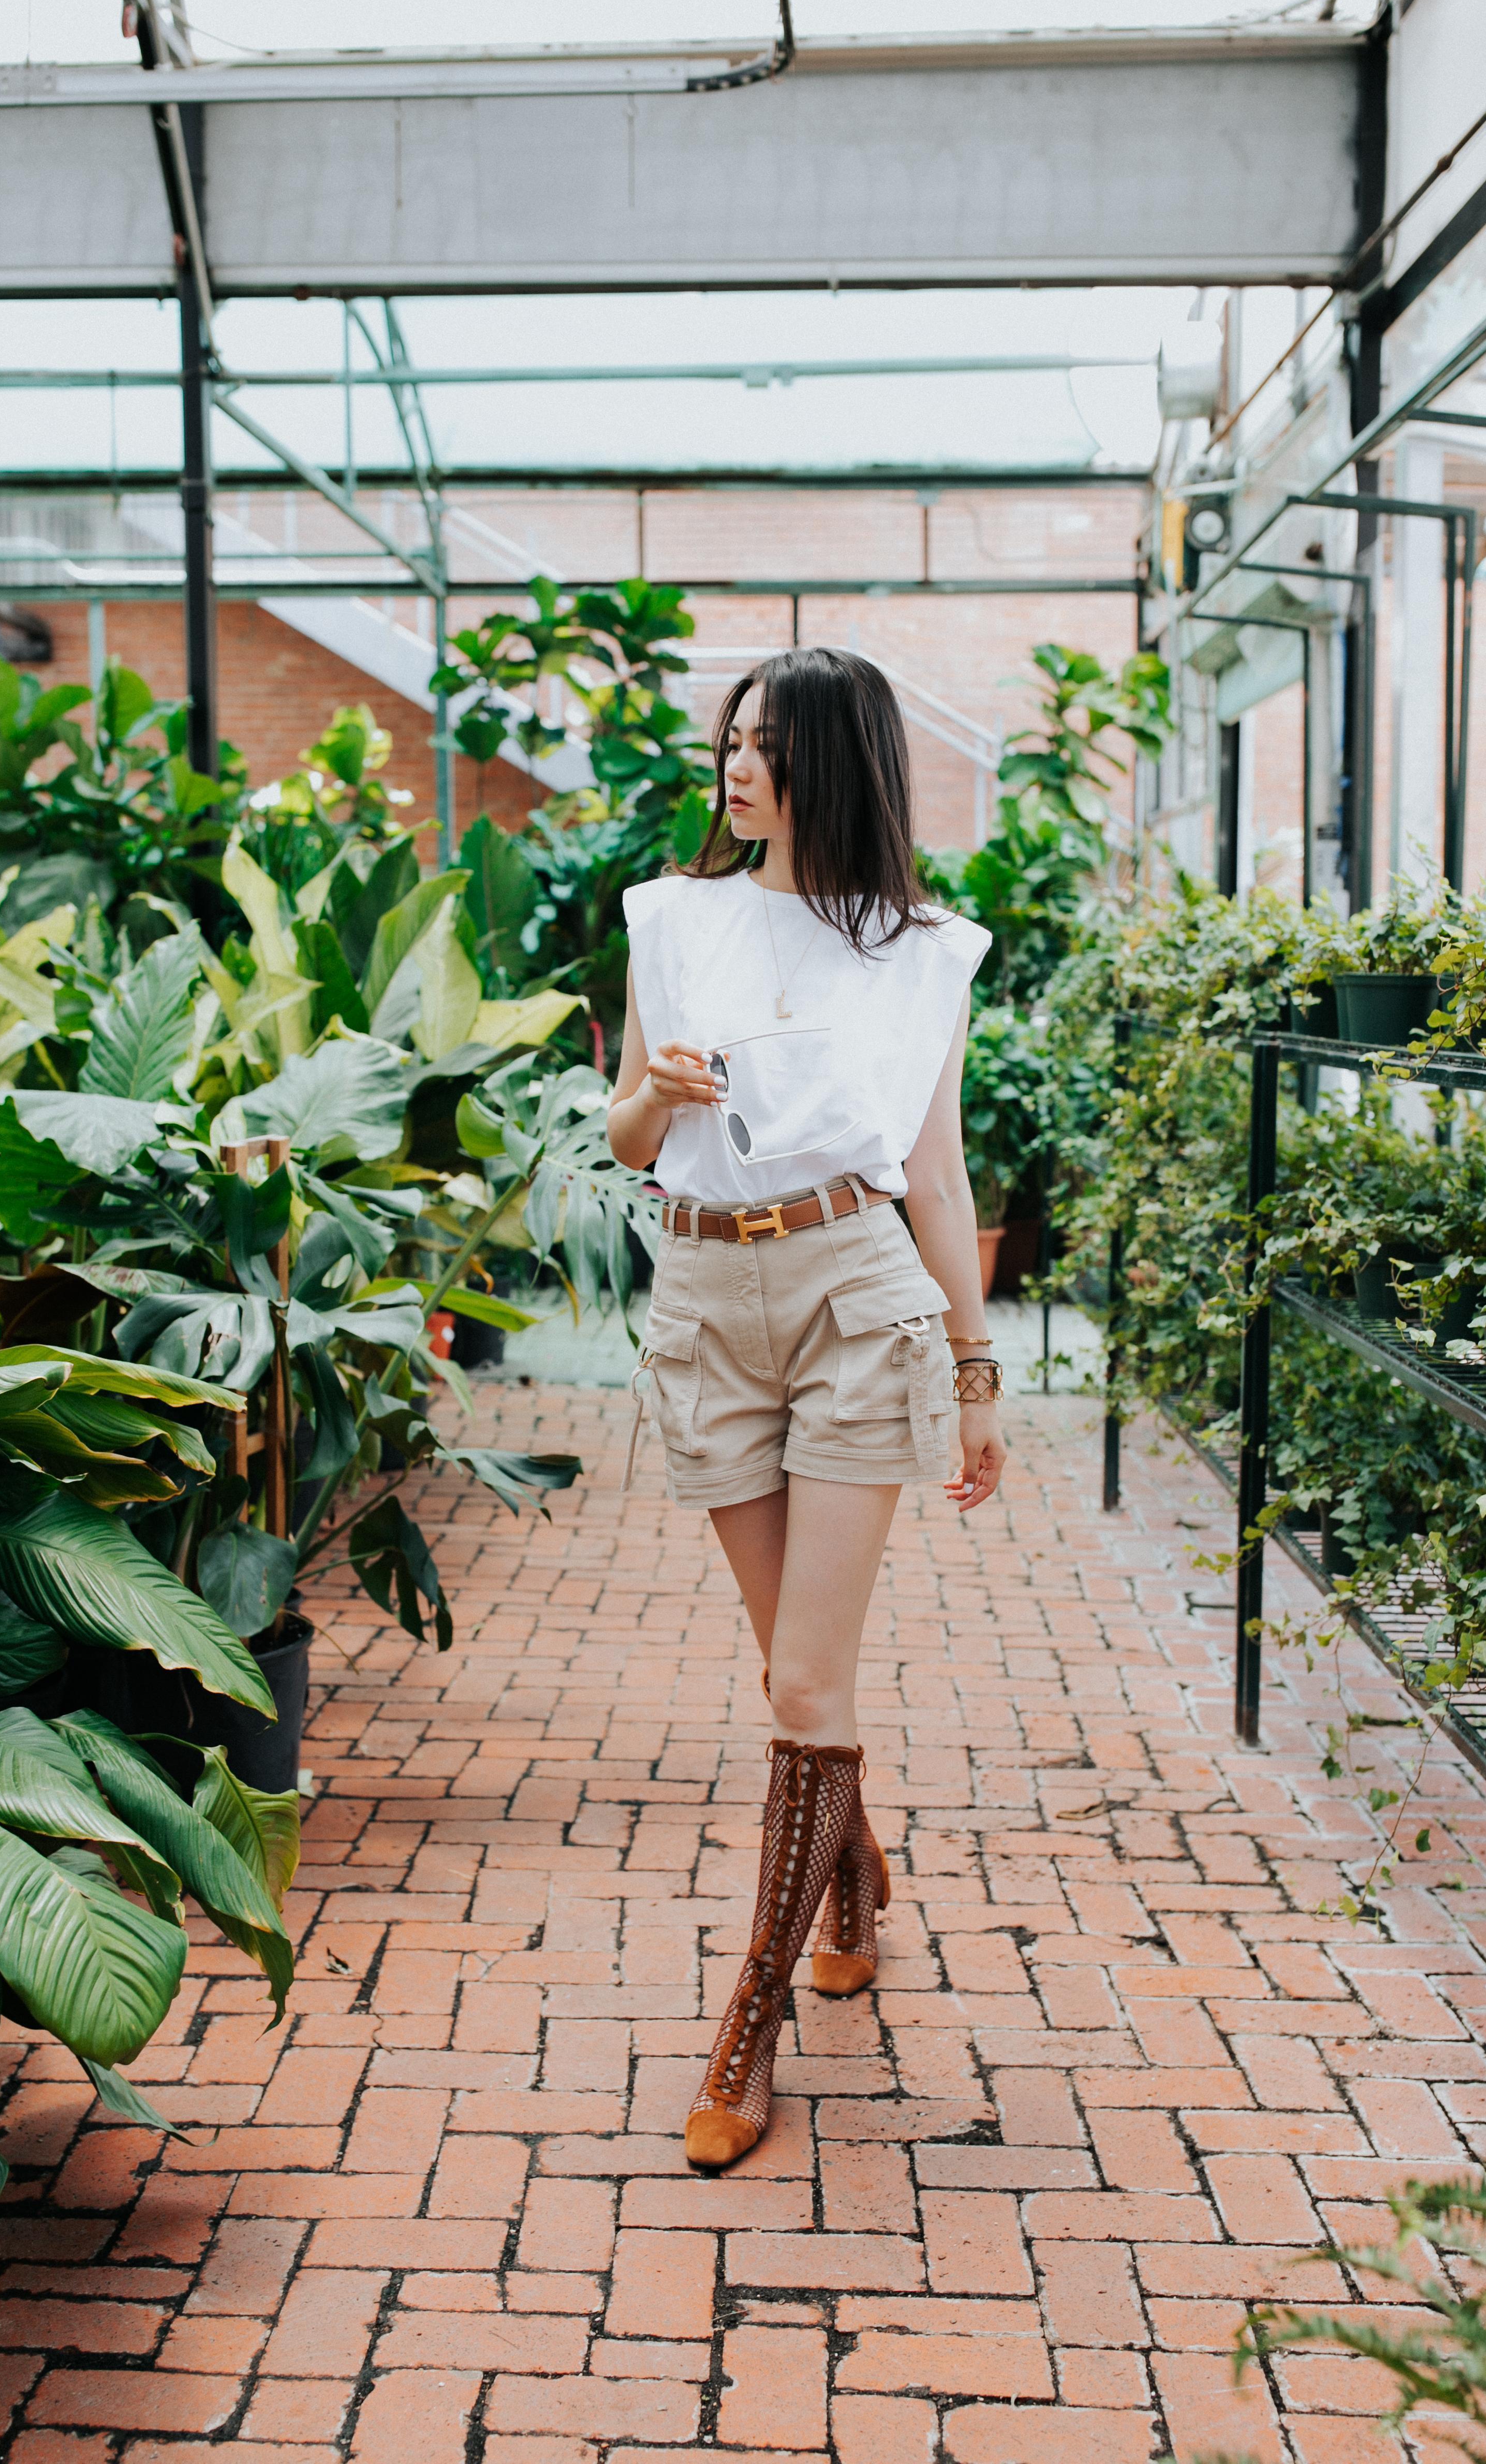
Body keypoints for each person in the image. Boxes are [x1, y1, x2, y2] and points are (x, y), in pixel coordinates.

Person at [607, 644, 1006, 2172]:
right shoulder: (673, 917)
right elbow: (628, 1127)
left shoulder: (921, 952)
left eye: (768, 744)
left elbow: (939, 1169)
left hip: (856, 1290)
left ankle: (749, 2021)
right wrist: (667, 1094)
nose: (737, 764)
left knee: (795, 1691)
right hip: (705, 1293)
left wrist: (974, 1374)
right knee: (798, 1672)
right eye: (732, 739)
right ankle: (849, 1877)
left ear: (836, 762)